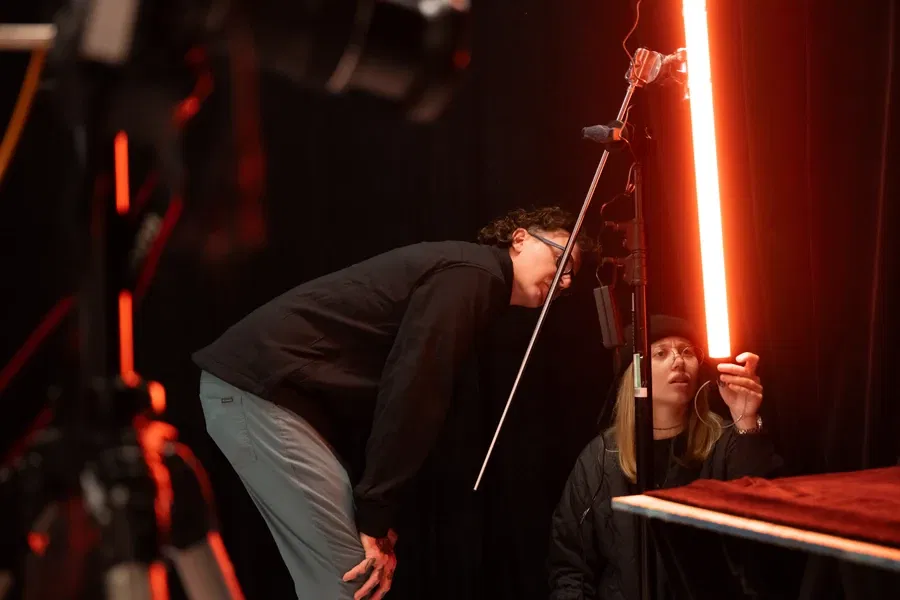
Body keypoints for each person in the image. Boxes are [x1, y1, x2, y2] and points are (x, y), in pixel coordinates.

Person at [192, 206, 593, 600]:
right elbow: (415, 389)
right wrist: (374, 511)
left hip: (264, 396)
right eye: (561, 258)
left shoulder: (473, 278)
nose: (566, 282)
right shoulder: (472, 276)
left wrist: (374, 513)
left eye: (572, 275)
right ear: (519, 239)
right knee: (351, 581)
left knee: (342, 578)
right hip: (259, 391)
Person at [547, 315, 783, 600]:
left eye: (687, 351)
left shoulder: (723, 441)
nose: (679, 361)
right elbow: (570, 568)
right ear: (633, 375)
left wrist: (746, 422)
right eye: (661, 353)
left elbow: (766, 531)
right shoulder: (600, 458)